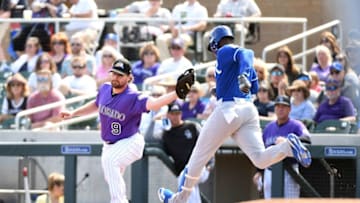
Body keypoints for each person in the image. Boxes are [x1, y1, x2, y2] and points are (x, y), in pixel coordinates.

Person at [158, 25, 312, 203]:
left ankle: (179, 199)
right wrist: (233, 81)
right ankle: (287, 147)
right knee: (260, 160)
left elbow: (246, 53)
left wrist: (242, 76)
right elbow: (253, 87)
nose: (213, 51)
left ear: (216, 43)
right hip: (247, 110)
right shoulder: (235, 62)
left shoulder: (225, 50)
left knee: (197, 157)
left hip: (229, 109)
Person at [60, 58, 185, 203]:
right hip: (110, 145)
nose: (115, 77)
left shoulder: (133, 96)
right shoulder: (105, 88)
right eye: (114, 73)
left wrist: (176, 93)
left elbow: (155, 103)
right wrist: (74, 113)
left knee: (110, 162)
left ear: (129, 78)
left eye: (120, 75)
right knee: (111, 175)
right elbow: (95, 104)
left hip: (131, 142)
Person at [253, 95, 311, 199]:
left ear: (289, 109)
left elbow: (307, 139)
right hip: (269, 170)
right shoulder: (268, 128)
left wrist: (287, 142)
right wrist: (259, 172)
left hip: (289, 171)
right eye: (278, 106)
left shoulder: (296, 125)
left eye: (283, 106)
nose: (280, 109)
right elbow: (261, 150)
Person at [162, 102, 210, 203]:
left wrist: (210, 164)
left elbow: (208, 143)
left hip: (200, 168)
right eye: (173, 113)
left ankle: (173, 200)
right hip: (183, 172)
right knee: (190, 189)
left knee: (186, 179)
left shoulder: (191, 126)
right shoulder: (166, 135)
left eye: (178, 113)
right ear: (168, 115)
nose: (176, 116)